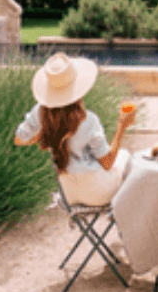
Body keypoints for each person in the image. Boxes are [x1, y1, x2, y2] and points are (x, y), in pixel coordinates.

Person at [13, 53, 137, 207]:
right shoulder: (88, 120)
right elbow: (107, 163)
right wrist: (122, 126)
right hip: (98, 193)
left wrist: (47, 132)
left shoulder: (40, 112)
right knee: (125, 156)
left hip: (68, 195)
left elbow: (19, 139)